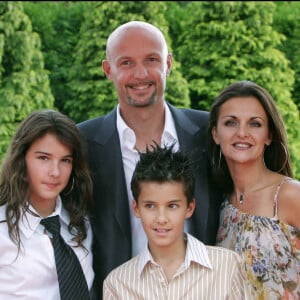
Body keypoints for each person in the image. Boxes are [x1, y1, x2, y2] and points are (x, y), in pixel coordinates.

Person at [77, 20, 222, 298]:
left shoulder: (207, 132)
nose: (140, 73)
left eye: (151, 59)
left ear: (168, 63)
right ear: (108, 70)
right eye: (127, 62)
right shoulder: (82, 143)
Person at [103, 143, 254, 299]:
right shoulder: (118, 284)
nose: (161, 219)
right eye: (150, 206)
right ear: (136, 208)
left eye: (172, 206)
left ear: (189, 207)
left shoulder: (226, 266)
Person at [207, 80, 300, 299]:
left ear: (268, 136)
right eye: (230, 123)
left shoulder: (289, 195)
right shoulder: (218, 203)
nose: (242, 132)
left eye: (255, 124)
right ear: (215, 134)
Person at [0, 110, 95, 299]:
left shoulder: (80, 224)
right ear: (22, 158)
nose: (55, 172)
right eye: (43, 158)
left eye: (65, 161)